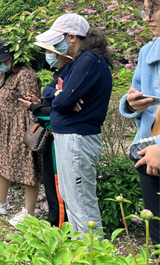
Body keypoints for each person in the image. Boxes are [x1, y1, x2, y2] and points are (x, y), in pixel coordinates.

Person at [42, 13, 112, 234]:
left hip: (78, 138)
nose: (53, 46)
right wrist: (60, 94)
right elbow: (49, 92)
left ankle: (92, 252)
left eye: (57, 39)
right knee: (71, 196)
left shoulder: (89, 61)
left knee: (81, 200)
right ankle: (81, 248)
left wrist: (61, 97)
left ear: (71, 37)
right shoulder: (74, 63)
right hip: (68, 136)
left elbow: (63, 101)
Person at [0, 40, 42, 227]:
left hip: (21, 126)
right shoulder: (6, 73)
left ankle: (29, 211)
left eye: (2, 60)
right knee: (2, 160)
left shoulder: (25, 75)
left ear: (13, 56)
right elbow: (10, 97)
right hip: (5, 125)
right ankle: (0, 200)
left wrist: (33, 129)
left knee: (27, 165)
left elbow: (33, 103)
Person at [119, 0, 160, 246]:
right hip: (148, 154)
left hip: (155, 149)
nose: (147, 18)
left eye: (153, 10)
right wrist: (131, 103)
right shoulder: (147, 51)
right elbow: (133, 92)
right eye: (145, 11)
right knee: (156, 234)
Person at [18, 35, 71, 228]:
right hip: (52, 136)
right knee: (50, 183)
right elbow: (52, 100)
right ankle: (55, 222)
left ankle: (59, 227)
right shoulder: (61, 72)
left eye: (49, 51)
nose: (47, 55)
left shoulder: (69, 74)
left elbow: (59, 111)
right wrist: (40, 103)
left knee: (57, 185)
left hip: (58, 137)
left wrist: (34, 108)